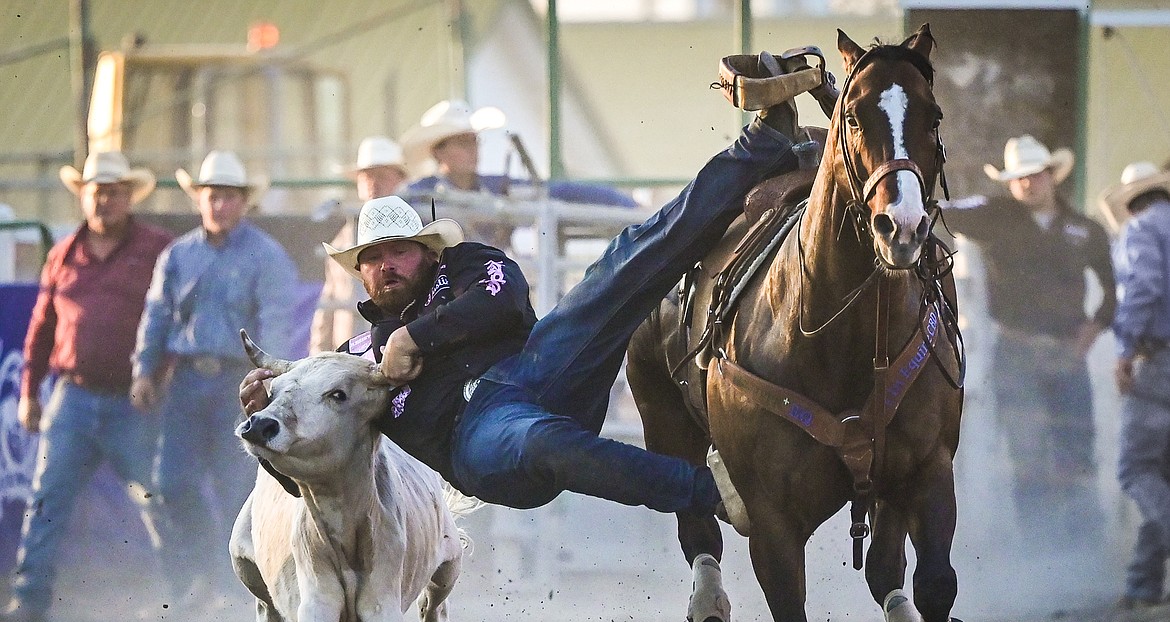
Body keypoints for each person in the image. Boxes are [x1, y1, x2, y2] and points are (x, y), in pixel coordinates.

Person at [241, 57, 835, 525]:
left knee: (622, 264)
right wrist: (266, 428)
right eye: (373, 259)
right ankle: (714, 493)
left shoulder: (470, 264)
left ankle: (763, 143)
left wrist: (416, 336)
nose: (387, 266)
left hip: (537, 367)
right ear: (360, 272)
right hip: (473, 441)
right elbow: (313, 468)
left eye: (399, 251)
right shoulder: (351, 361)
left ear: (427, 251)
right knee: (541, 440)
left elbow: (503, 297)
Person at [2, 151, 172, 622]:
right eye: (97, 191)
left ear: (128, 196)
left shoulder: (157, 249)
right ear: (83, 196)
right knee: (48, 496)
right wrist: (30, 392)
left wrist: (159, 376)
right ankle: (30, 597)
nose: (105, 199)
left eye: (114, 191)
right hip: (71, 395)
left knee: (155, 496)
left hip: (132, 398)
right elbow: (41, 327)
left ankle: (179, 595)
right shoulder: (62, 252)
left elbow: (176, 318)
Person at [131, 150, 297, 599]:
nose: (218, 205)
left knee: (235, 486)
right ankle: (210, 570)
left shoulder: (266, 256)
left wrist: (269, 383)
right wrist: (144, 371)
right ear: (199, 199)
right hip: (185, 379)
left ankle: (235, 583)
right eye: (211, 196)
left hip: (237, 385)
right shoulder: (177, 255)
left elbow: (277, 321)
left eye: (227, 197)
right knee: (170, 482)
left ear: (242, 202)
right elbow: (157, 316)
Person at [943, 135, 1117, 547]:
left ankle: (1083, 546)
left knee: (1076, 449)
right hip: (1016, 350)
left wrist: (1093, 329)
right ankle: (1038, 549)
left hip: (1066, 350)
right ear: (1009, 183)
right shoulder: (994, 216)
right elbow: (944, 212)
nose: (1027, 184)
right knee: (1027, 456)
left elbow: (1111, 288)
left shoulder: (1083, 229)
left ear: (1051, 176)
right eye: (1018, 177)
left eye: (1034, 175)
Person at [400, 99, 639, 245]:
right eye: (463, 143)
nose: (473, 151)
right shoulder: (418, 195)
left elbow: (559, 192)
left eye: (474, 142)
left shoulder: (497, 187)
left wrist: (628, 207)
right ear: (438, 152)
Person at [1100, 161, 1170, 608]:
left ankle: (1143, 585)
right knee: (1160, 474)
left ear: (1131, 200)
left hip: (1159, 359)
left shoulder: (1142, 229)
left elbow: (1144, 286)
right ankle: (1143, 586)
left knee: (1137, 469)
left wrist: (1125, 348)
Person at [312, 136, 410, 353]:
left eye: (382, 175)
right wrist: (316, 357)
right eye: (366, 176)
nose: (374, 183)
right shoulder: (342, 240)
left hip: (397, 352)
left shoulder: (414, 235)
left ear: (400, 180)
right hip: (351, 353)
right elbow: (328, 305)